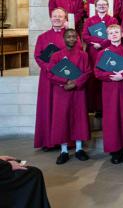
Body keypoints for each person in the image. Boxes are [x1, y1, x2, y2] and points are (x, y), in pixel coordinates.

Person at [47, 29, 91, 165]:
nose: (71, 39)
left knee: (79, 118)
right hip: (62, 92)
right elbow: (50, 73)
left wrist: (75, 83)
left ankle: (78, 149)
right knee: (62, 120)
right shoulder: (56, 55)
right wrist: (65, 82)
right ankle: (64, 150)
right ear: (64, 39)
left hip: (78, 91)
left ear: (77, 39)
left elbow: (88, 72)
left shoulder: (83, 55)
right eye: (68, 37)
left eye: (73, 37)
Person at [94, 24, 123, 164]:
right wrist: (113, 75)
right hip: (110, 89)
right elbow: (98, 73)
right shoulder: (102, 53)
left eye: (117, 32)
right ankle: (115, 151)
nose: (114, 34)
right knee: (112, 119)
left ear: (122, 35)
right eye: (111, 33)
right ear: (108, 36)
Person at [34, 8, 72, 151]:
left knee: (63, 109)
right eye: (54, 16)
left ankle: (67, 141)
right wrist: (50, 68)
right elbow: (38, 56)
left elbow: (77, 52)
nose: (57, 18)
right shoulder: (43, 37)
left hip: (65, 77)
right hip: (48, 78)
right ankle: (49, 141)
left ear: (65, 19)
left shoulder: (70, 36)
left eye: (60, 16)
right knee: (47, 107)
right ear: (50, 18)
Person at [82, 0, 118, 114]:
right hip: (93, 52)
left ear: (108, 6)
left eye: (104, 5)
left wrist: (101, 44)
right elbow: (85, 36)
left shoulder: (113, 20)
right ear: (95, 7)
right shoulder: (90, 20)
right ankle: (94, 106)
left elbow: (115, 35)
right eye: (99, 5)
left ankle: (105, 106)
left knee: (107, 77)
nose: (102, 6)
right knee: (94, 78)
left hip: (108, 51)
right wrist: (96, 43)